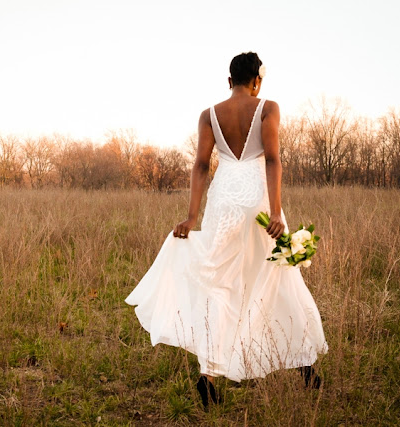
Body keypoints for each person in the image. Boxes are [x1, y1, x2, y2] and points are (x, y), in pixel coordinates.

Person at [124, 51, 328, 410]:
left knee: (222, 284)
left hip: (222, 202)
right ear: (257, 81)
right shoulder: (267, 106)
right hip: (257, 199)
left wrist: (191, 217)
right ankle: (305, 368)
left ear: (229, 80)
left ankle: (209, 376)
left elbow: (201, 165)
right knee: (277, 277)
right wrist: (276, 211)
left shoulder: (209, 115)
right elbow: (272, 158)